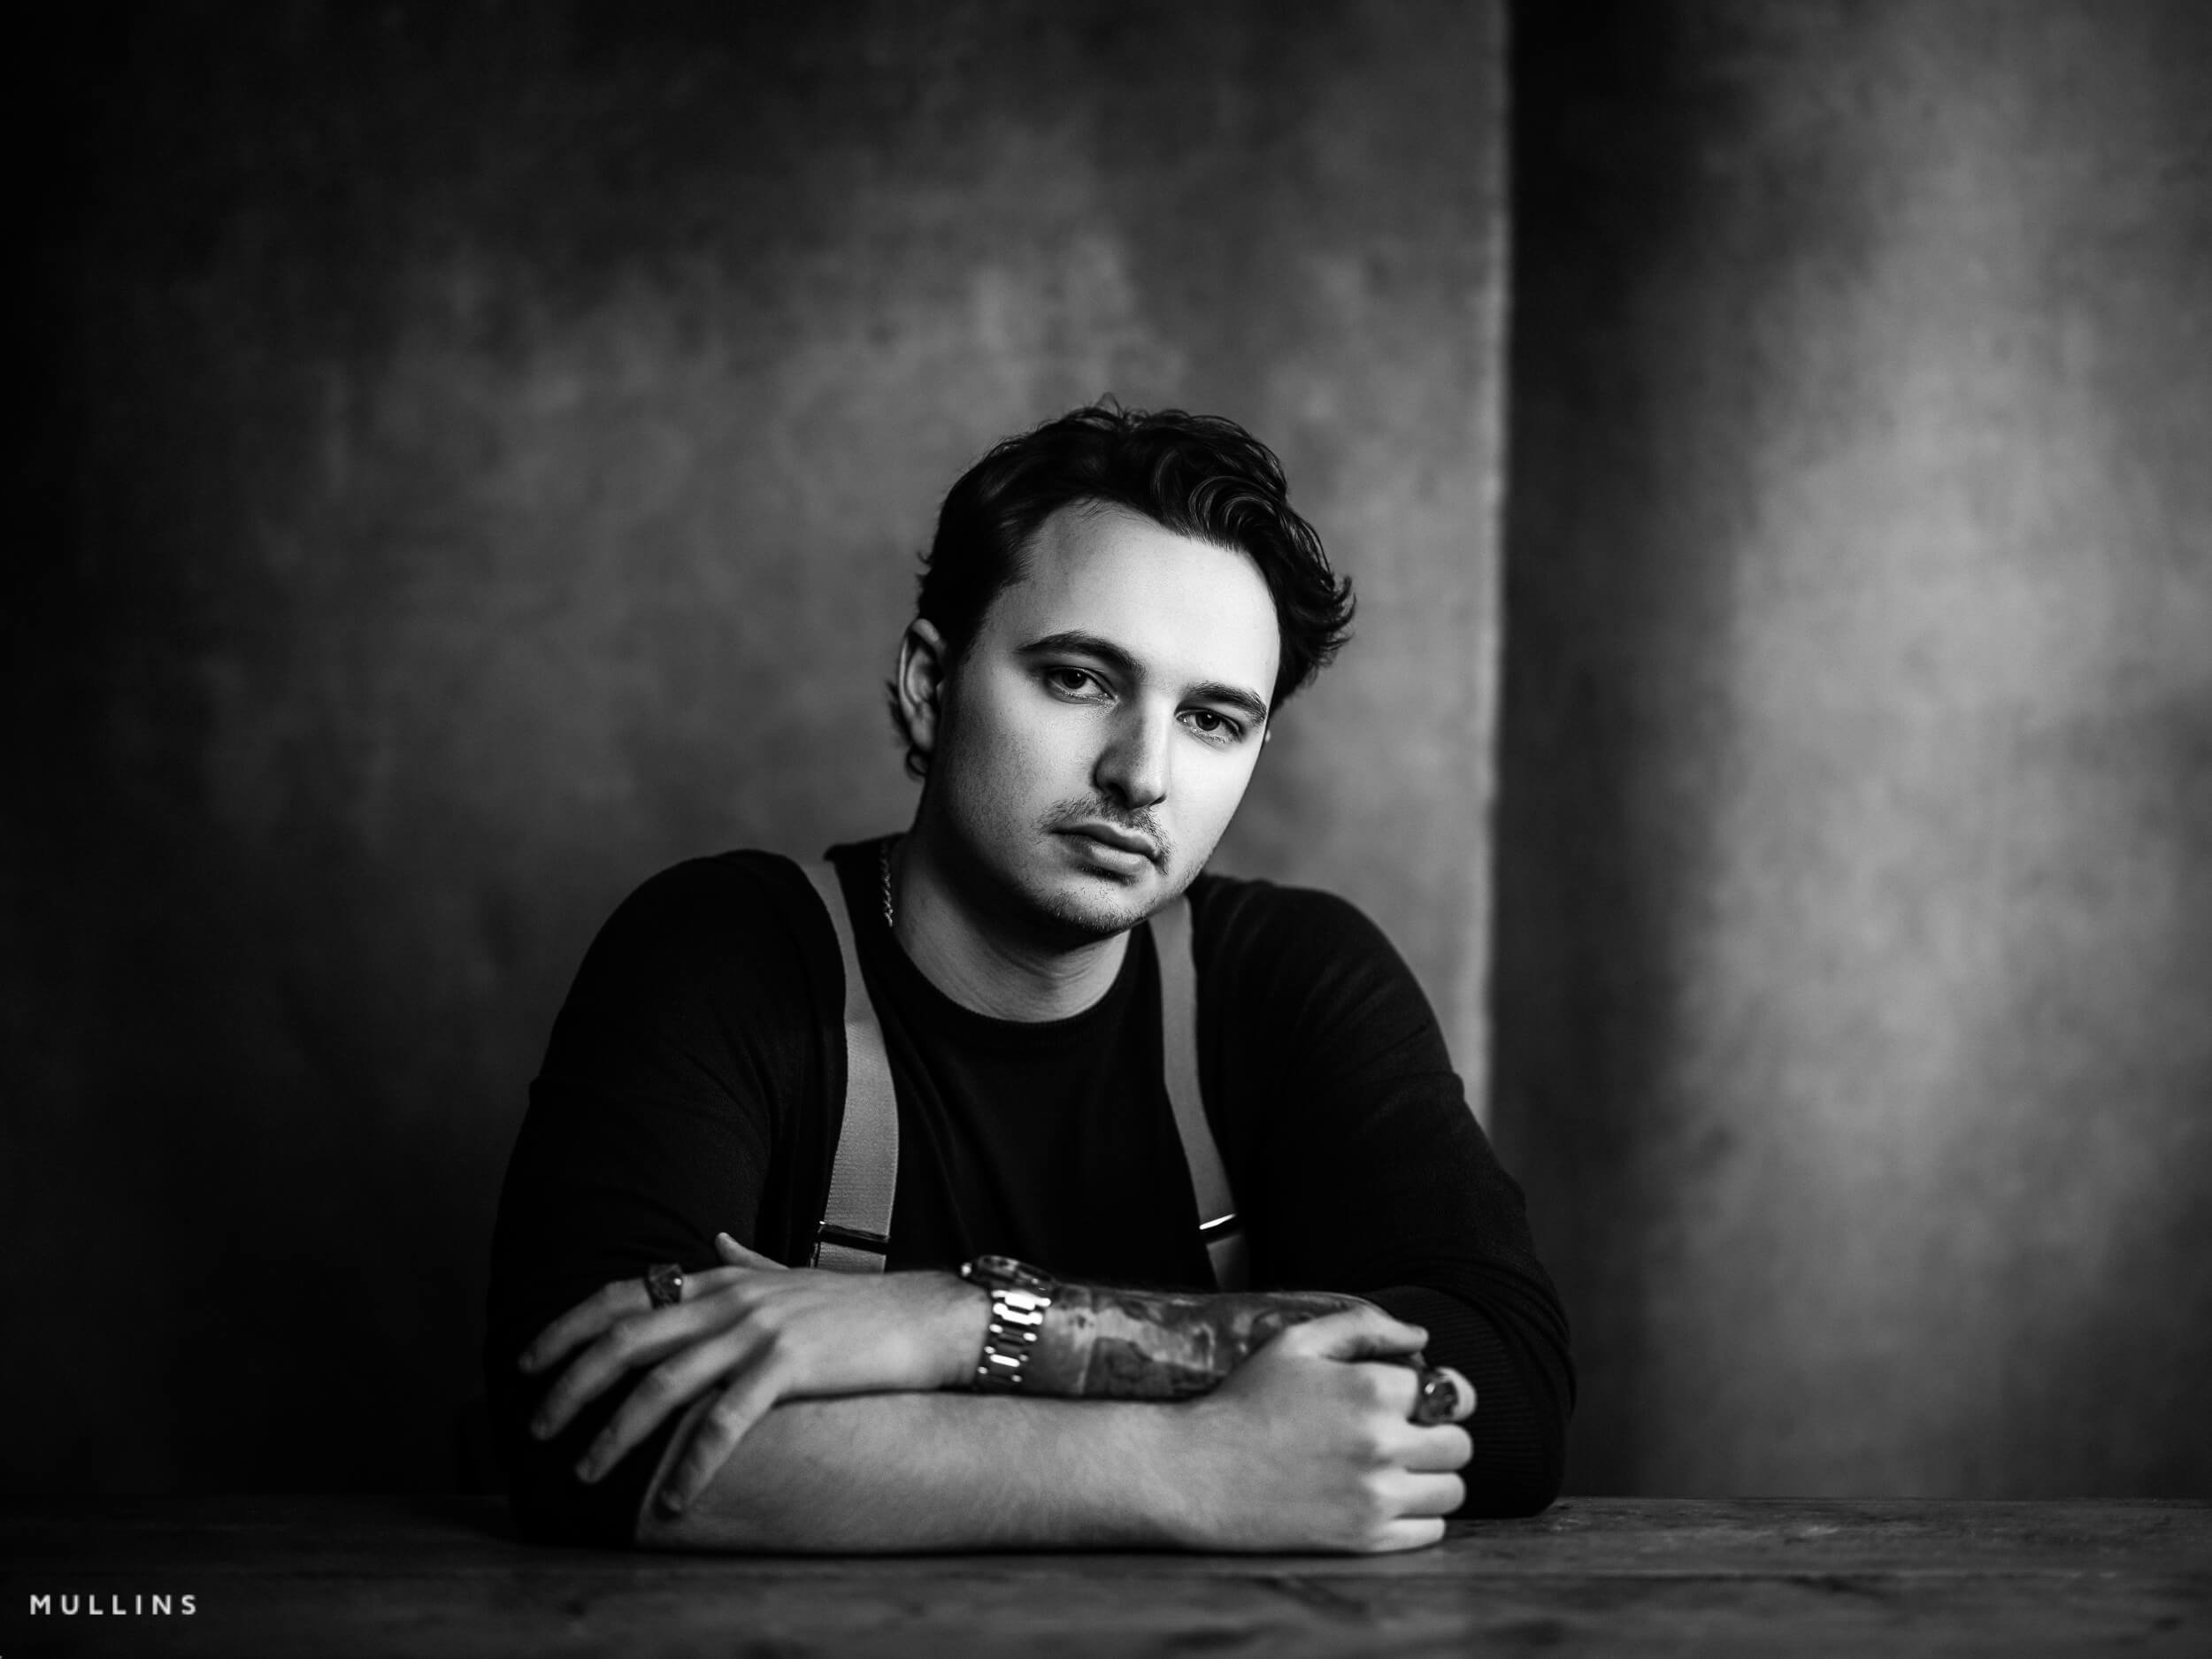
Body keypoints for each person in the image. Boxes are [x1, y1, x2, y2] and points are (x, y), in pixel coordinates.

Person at [484, 404, 1572, 1553]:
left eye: (1210, 719)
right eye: (1080, 680)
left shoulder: (1292, 979)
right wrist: (1189, 1466)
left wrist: (969, 1324)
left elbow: (1501, 1385)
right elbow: (594, 1428)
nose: (1142, 774)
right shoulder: (724, 953)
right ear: (927, 680)